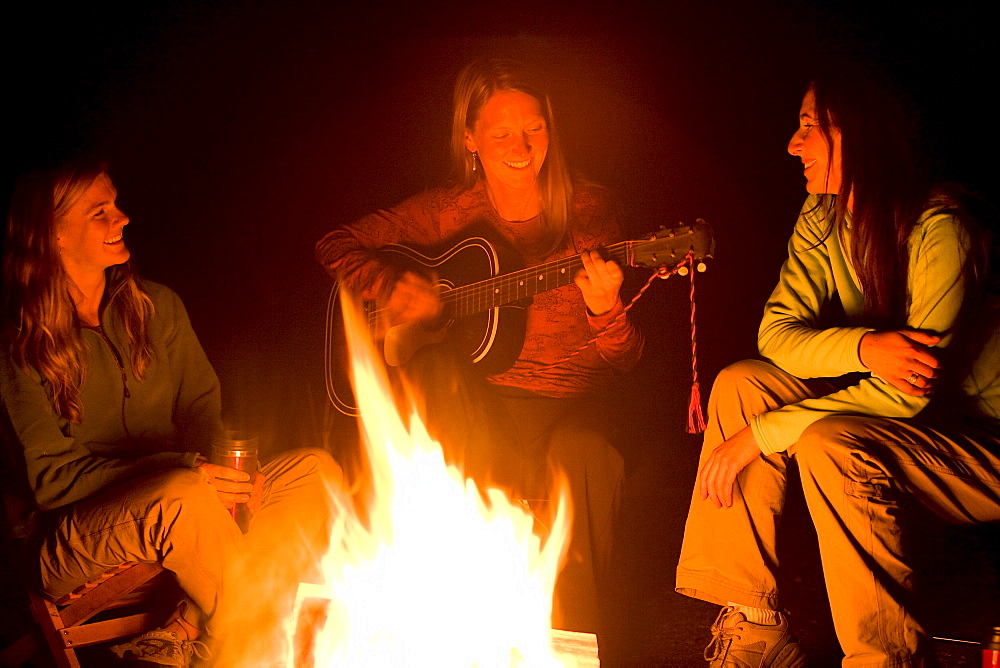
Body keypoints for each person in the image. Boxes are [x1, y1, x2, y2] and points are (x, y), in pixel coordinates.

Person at [674, 66, 1000, 667]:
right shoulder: (822, 219)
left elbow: (910, 395)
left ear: (861, 136)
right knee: (741, 385)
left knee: (829, 442)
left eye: (808, 128)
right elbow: (776, 334)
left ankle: (885, 660)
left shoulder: (942, 230)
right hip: (898, 420)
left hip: (979, 445)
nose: (792, 145)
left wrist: (764, 436)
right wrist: (865, 347)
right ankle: (756, 633)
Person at [315, 57, 644, 632]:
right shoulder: (449, 212)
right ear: (470, 139)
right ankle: (444, 625)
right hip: (480, 405)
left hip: (572, 404)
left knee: (585, 447)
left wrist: (605, 310)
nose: (522, 144)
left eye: (535, 127)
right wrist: (389, 285)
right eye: (501, 132)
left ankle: (575, 639)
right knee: (434, 373)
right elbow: (335, 243)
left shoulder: (593, 211)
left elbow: (626, 359)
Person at [0, 161, 343, 667]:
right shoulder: (21, 342)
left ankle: (188, 631)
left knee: (312, 472)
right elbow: (53, 480)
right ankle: (259, 649)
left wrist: (232, 476)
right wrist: (180, 467)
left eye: (115, 204)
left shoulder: (155, 307)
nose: (122, 219)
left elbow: (202, 411)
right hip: (69, 536)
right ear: (53, 236)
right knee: (184, 495)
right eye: (100, 213)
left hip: (185, 504)